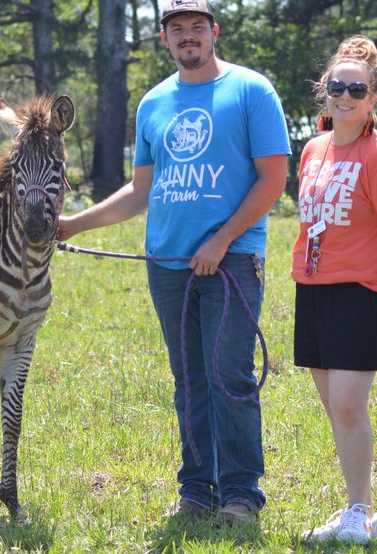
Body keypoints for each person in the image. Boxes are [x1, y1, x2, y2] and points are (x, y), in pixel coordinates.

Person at [57, 0, 290, 525]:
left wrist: (223, 240)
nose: (188, 36)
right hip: (167, 264)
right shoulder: (154, 103)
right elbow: (141, 191)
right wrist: (74, 223)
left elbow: (272, 180)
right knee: (188, 380)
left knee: (228, 375)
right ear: (164, 38)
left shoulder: (252, 91)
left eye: (197, 27)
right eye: (177, 29)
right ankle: (196, 490)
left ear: (214, 32)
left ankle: (240, 496)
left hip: (231, 262)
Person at [292, 36, 377, 545]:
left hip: (365, 290)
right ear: (325, 91)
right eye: (336, 86)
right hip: (314, 286)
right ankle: (353, 509)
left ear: (372, 98)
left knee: (347, 402)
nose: (345, 95)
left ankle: (362, 510)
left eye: (356, 89)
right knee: (335, 407)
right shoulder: (313, 150)